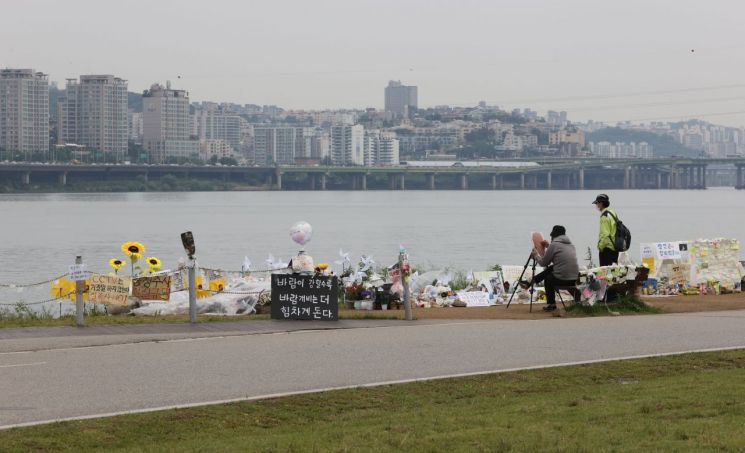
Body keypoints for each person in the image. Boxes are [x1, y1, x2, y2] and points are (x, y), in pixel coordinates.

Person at [520, 225, 579, 312]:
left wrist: (536, 255)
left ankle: (551, 304)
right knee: (552, 268)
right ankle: (530, 282)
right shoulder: (571, 245)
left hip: (562, 279)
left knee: (548, 279)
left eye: (552, 236)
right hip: (574, 278)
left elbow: (543, 263)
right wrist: (548, 246)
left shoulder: (554, 245)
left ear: (554, 235)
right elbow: (560, 258)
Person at [592, 193, 619, 266]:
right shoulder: (612, 213)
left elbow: (605, 235)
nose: (596, 205)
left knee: (604, 273)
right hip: (615, 247)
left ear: (601, 203)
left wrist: (600, 247)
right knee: (613, 272)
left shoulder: (604, 216)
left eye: (597, 203)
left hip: (607, 249)